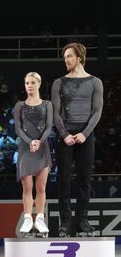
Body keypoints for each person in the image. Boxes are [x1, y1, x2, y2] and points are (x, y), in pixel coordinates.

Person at [51, 42, 103, 237]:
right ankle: (65, 222)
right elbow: (55, 113)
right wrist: (64, 134)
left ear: (79, 58)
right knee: (63, 180)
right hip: (65, 135)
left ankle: (82, 221)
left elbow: (97, 111)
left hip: (85, 135)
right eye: (65, 57)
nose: (66, 60)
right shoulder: (59, 82)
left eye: (69, 56)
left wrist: (85, 133)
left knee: (84, 180)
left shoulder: (95, 82)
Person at [14, 72, 53, 237]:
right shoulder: (19, 106)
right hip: (25, 149)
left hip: (42, 148)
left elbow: (49, 126)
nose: (29, 85)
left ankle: (40, 219)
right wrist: (30, 142)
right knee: (27, 187)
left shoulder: (47, 104)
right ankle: (28, 218)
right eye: (26, 83)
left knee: (41, 187)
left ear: (39, 84)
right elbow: (17, 128)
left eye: (32, 83)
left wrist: (39, 141)